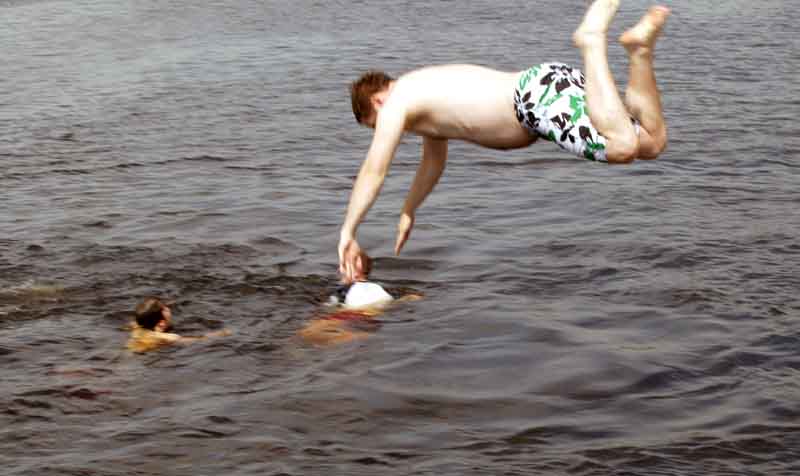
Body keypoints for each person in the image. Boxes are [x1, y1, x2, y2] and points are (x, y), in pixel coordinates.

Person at [339, 0, 670, 282]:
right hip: (547, 83)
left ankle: (591, 38)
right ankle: (640, 51)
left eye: (375, 126)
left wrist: (348, 231)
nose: (384, 132)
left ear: (377, 103)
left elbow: (374, 169)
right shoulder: (422, 99)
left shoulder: (399, 101)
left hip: (535, 101)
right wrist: (409, 209)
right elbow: (434, 162)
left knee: (623, 146)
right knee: (651, 143)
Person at [300, 252, 421, 345]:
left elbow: (329, 306)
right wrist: (408, 298)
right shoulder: (379, 287)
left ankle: (351, 337)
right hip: (374, 315)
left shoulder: (344, 289)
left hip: (350, 315)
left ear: (349, 270)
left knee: (305, 334)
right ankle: (358, 336)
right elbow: (391, 301)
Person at [127, 297, 231, 352]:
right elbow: (200, 340)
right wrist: (222, 333)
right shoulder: (168, 338)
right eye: (165, 309)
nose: (168, 309)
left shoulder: (136, 328)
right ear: (161, 324)